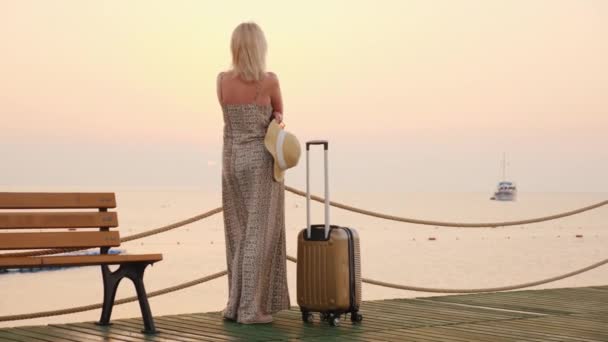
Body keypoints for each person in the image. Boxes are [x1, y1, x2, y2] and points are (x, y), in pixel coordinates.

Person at [215, 22, 290, 324]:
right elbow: (280, 117)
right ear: (260, 48)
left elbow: (229, 115)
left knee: (239, 233)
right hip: (260, 162)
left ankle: (233, 306)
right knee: (260, 234)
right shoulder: (268, 81)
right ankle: (252, 310)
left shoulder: (221, 80)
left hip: (230, 161)